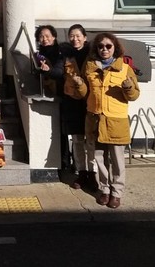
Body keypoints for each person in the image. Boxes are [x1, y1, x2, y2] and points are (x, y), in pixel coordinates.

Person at [67, 32, 140, 209]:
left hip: (116, 121)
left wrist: (128, 87)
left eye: (108, 46)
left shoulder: (125, 68)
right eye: (100, 46)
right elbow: (84, 94)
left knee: (117, 160)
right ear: (96, 48)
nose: (104, 49)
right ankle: (105, 190)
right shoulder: (90, 67)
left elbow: (134, 95)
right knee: (99, 159)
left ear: (115, 48)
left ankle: (117, 193)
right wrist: (79, 84)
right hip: (94, 120)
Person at [61, 24, 96, 191]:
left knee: (91, 140)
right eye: (72, 36)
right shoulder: (65, 56)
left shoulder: (93, 54)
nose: (75, 39)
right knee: (77, 140)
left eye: (78, 36)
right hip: (72, 102)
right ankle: (81, 172)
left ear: (85, 37)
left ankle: (93, 173)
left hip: (91, 101)